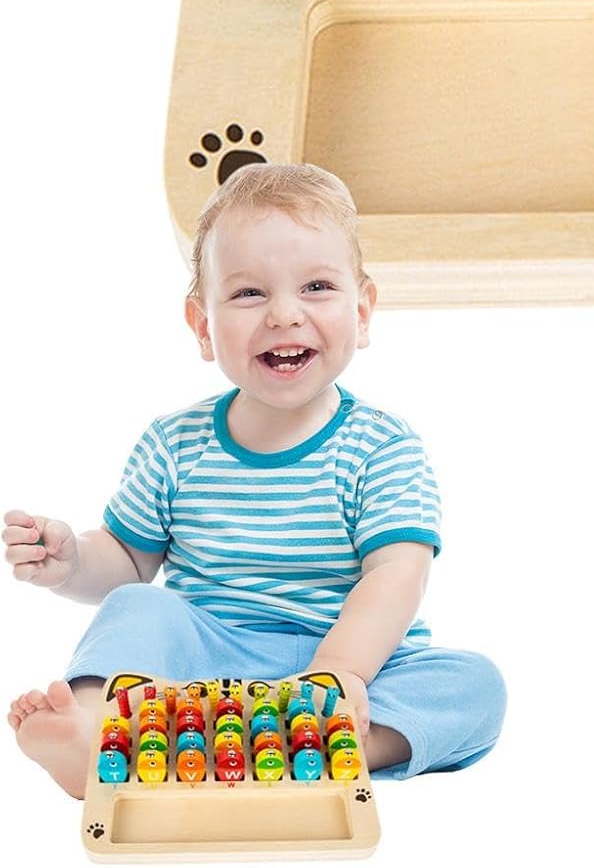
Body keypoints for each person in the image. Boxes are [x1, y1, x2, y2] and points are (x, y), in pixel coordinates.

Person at [5, 163, 504, 797]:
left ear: (362, 311)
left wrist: (337, 674)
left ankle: (333, 743)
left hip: (350, 667)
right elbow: (128, 563)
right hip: (204, 672)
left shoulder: (383, 447)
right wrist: (73, 562)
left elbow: (396, 575)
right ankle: (95, 732)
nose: (285, 315)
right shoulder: (175, 445)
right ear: (203, 326)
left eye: (317, 286)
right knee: (138, 607)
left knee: (474, 686)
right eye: (248, 294)